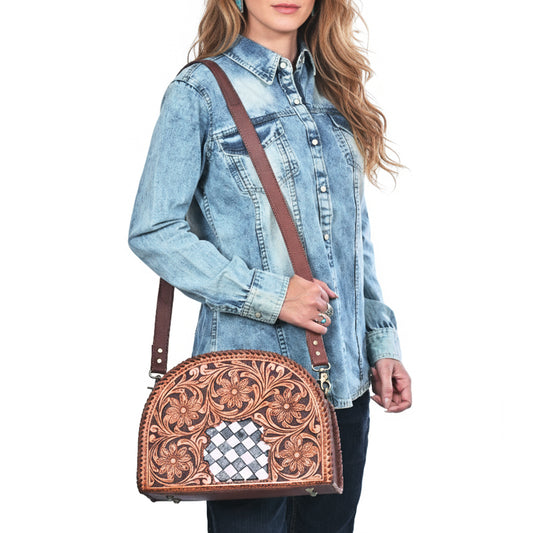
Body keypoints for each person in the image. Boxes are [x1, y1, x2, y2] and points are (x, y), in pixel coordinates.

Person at [128, 1, 412, 531]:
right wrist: (271, 295)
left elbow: (353, 235)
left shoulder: (334, 90)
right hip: (247, 391)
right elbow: (154, 231)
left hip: (345, 385)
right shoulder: (199, 91)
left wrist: (381, 342)